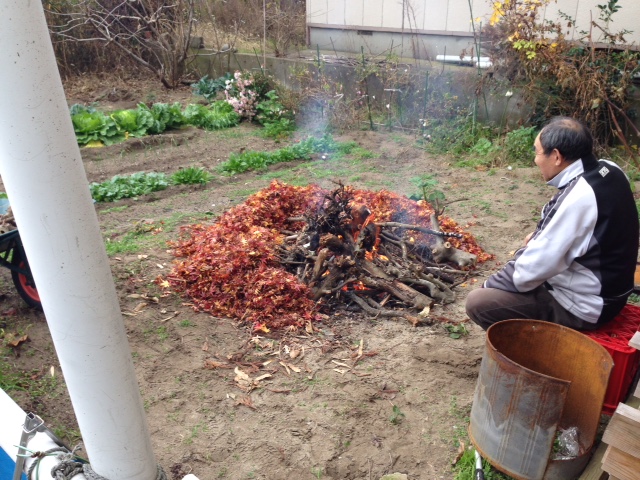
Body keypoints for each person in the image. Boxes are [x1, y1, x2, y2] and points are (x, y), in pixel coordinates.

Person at [466, 116, 639, 331]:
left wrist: (488, 285)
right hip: (612, 291)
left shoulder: (579, 197)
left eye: (537, 152)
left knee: (480, 302)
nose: (535, 159)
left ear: (556, 156)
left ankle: (534, 352)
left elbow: (530, 270)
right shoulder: (610, 169)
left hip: (586, 306)